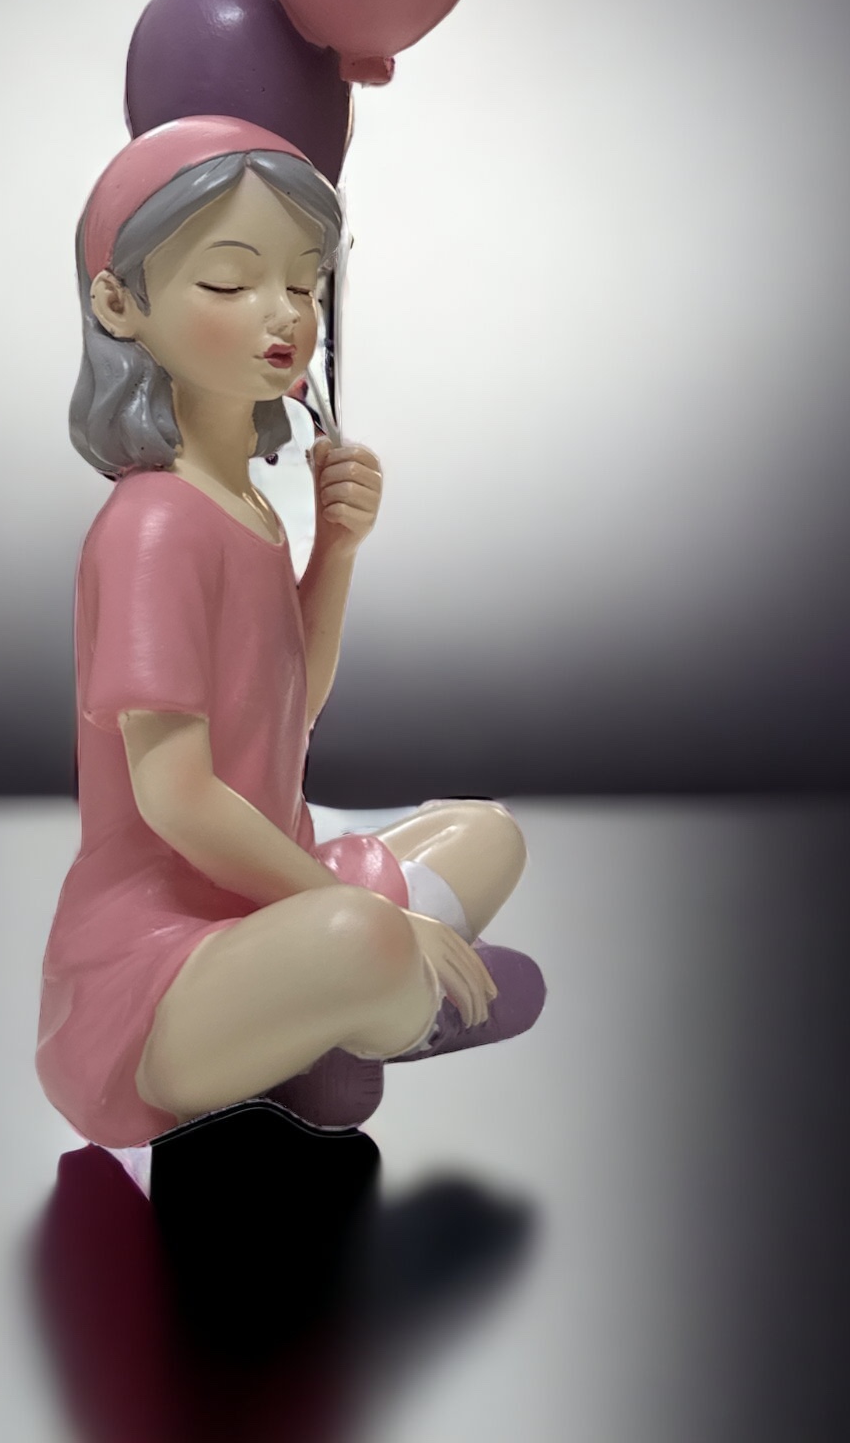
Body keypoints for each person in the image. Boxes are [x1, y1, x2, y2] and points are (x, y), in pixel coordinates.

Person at [36, 115, 542, 1150]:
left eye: (304, 285)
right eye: (230, 282)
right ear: (118, 303)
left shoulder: (249, 508)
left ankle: (331, 1026)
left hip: (266, 903)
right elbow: (176, 795)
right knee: (360, 933)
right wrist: (375, 918)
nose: (283, 313)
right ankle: (388, 1009)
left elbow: (286, 710)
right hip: (157, 972)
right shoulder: (151, 525)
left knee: (485, 831)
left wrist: (336, 551)